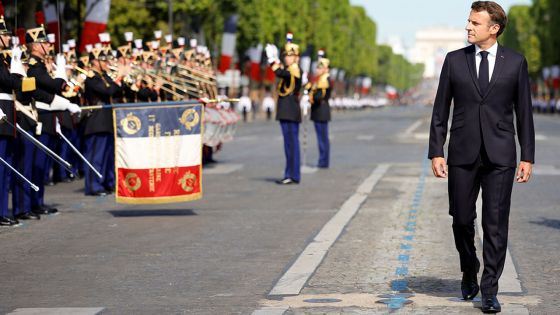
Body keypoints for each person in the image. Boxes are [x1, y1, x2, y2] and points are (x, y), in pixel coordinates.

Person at [428, 2, 534, 313]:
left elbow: (524, 114)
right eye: (468, 21)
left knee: (495, 223)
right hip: (462, 152)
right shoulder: (453, 61)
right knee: (461, 219)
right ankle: (468, 266)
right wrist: (436, 150)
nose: (468, 27)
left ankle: (490, 289)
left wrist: (527, 156)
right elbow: (440, 111)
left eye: (475, 23)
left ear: (494, 28)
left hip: (501, 154)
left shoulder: (515, 62)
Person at [82, 47, 123, 196]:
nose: (107, 63)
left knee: (108, 155)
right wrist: (118, 78)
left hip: (107, 119)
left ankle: (108, 182)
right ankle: (94, 185)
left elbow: (118, 90)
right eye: (103, 60)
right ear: (95, 61)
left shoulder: (105, 76)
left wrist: (121, 79)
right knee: (96, 155)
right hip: (96, 120)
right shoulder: (92, 78)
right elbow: (108, 91)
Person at [266, 33, 302, 185]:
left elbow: (280, 73)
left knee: (291, 144)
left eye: (290, 55)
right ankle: (291, 174)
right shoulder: (291, 69)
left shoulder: (294, 70)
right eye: (285, 55)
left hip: (290, 111)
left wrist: (272, 60)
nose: (287, 58)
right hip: (288, 111)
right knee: (289, 144)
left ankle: (292, 174)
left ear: (296, 57)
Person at [308, 53, 332, 168]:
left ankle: (323, 161)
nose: (317, 69)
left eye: (320, 67)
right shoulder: (321, 79)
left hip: (321, 111)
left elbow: (318, 97)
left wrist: (310, 96)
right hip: (320, 111)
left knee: (322, 138)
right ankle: (323, 160)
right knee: (322, 137)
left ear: (325, 69)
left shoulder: (324, 80)